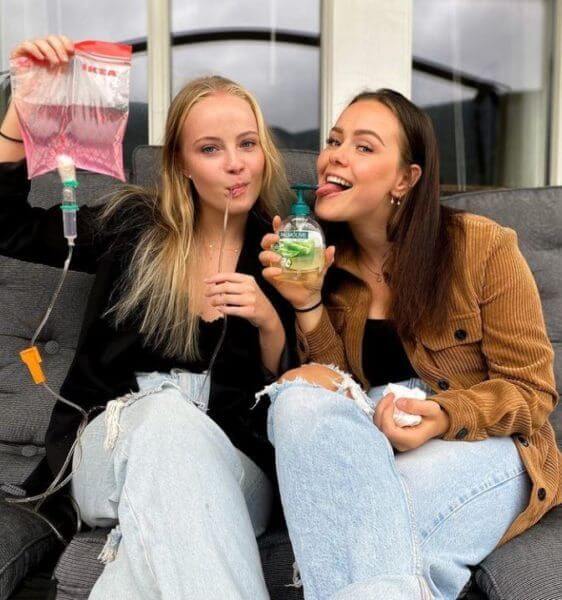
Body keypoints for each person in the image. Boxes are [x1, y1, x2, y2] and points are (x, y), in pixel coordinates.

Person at [0, 35, 295, 599]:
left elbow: (297, 390)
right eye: (210, 149)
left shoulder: (282, 250)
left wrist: (270, 321)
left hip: (236, 470)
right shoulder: (132, 227)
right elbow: (7, 226)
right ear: (181, 164)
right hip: (107, 451)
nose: (235, 164)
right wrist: (23, 104)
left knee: (148, 551)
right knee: (165, 419)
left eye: (247, 144)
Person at [258, 88, 561, 599]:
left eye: (364, 146)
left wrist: (441, 415)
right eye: (334, 140)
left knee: (364, 519)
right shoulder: (322, 263)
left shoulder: (482, 247)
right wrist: (307, 303)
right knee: (297, 402)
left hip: (482, 443)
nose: (335, 154)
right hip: (373, 444)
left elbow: (532, 394)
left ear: (405, 178)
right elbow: (338, 399)